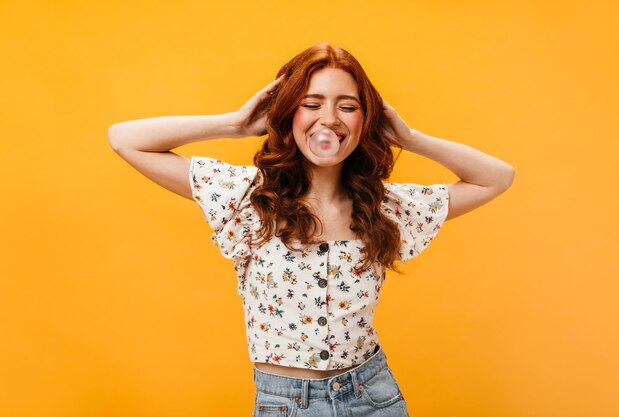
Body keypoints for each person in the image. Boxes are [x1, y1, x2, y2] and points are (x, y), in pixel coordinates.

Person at [108, 42, 514, 417]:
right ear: (287, 113)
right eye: (311, 103)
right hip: (284, 403)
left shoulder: (385, 208)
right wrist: (234, 124)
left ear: (367, 119)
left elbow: (497, 177)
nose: (330, 119)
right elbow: (125, 139)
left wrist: (410, 138)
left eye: (348, 106)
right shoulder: (248, 198)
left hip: (372, 396)